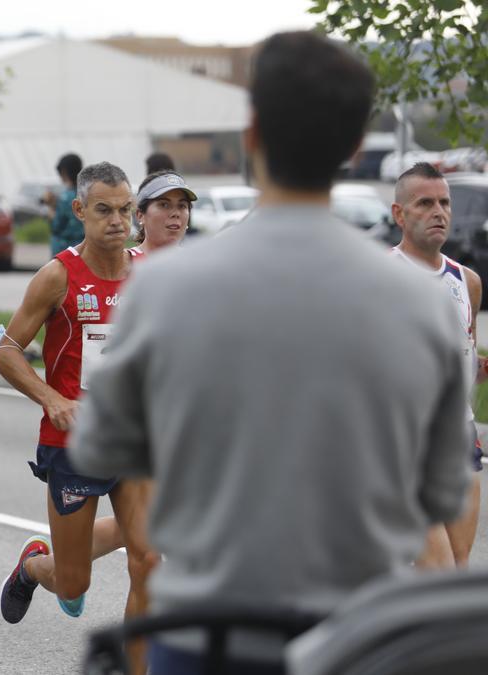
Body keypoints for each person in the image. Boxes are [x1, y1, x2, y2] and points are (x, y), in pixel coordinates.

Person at [70, 32, 471, 674]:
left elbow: (101, 450)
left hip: (209, 634)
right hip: (353, 638)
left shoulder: (165, 288)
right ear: (348, 148)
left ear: (252, 136)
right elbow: (445, 487)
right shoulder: (418, 302)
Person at [0, 161, 157, 673]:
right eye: (104, 210)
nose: (117, 220)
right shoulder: (58, 275)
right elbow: (5, 350)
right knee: (73, 583)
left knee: (149, 561)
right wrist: (51, 398)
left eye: (126, 210)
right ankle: (32, 568)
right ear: (79, 211)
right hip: (73, 443)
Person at [390, 161, 485, 570]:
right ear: (399, 214)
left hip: (459, 434)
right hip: (406, 438)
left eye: (444, 202)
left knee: (459, 567)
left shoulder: (468, 280)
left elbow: (468, 353)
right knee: (438, 569)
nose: (439, 212)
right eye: (425, 203)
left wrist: (479, 368)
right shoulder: (379, 276)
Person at [132, 171, 196, 253]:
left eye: (182, 206)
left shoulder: (198, 263)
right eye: (164, 205)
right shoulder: (123, 263)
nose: (175, 213)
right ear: (140, 215)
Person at [48, 153, 84, 256]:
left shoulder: (65, 197)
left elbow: (56, 226)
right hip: (83, 247)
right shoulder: (85, 194)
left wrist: (51, 207)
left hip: (64, 249)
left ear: (63, 172)